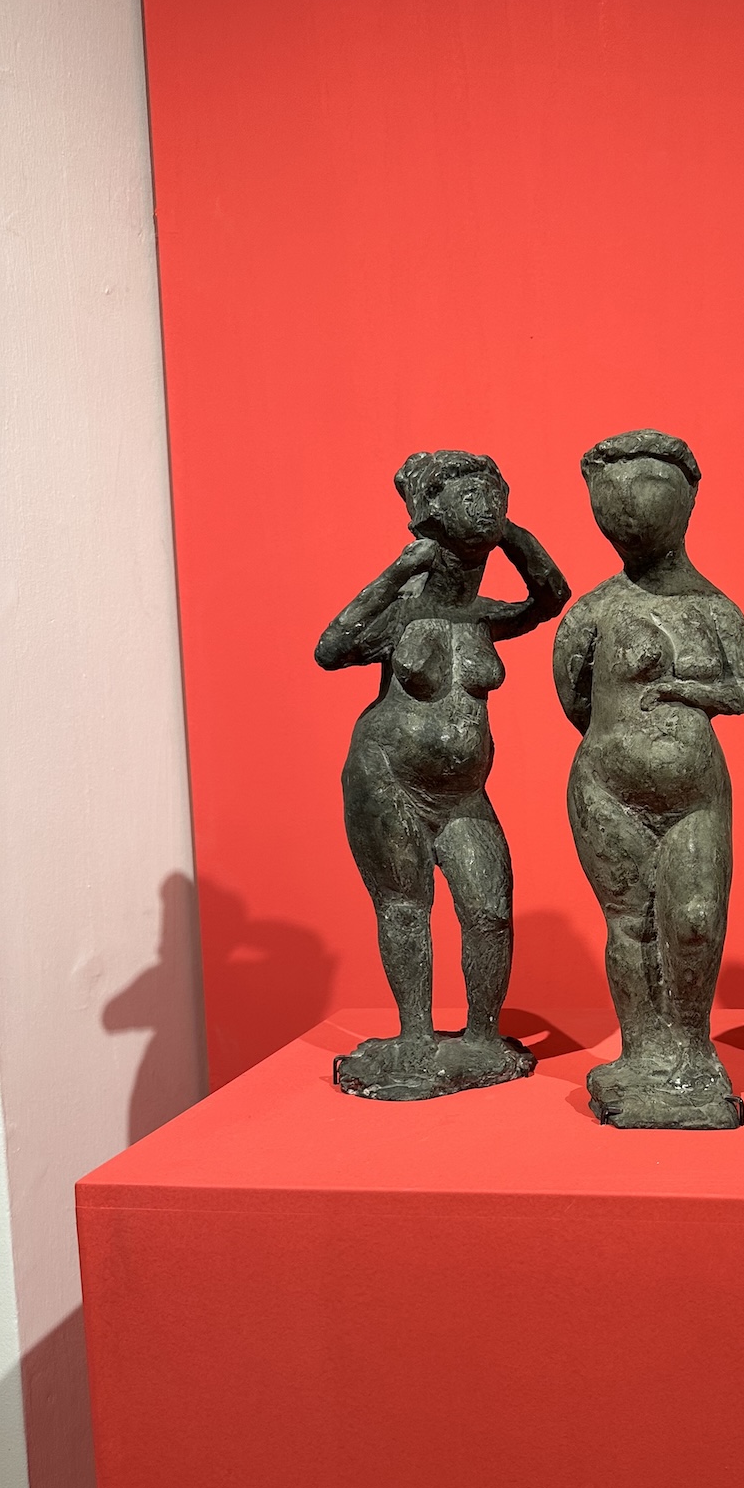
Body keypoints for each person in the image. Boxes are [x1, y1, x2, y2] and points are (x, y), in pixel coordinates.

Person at [316, 449, 570, 1100]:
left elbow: (551, 596)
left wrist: (510, 533)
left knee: (489, 908)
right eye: (471, 497)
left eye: (494, 496)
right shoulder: (401, 612)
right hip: (388, 780)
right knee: (406, 906)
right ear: (432, 514)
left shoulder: (481, 616)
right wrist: (399, 569)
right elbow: (332, 647)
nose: (487, 507)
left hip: (463, 795)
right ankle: (415, 1035)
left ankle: (482, 1036)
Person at [554, 430, 744, 1128]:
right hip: (606, 789)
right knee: (630, 924)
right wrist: (622, 744)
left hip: (693, 794)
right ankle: (641, 1052)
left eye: (648, 491)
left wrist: (678, 689)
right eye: (612, 499)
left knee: (694, 920)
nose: (629, 512)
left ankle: (693, 1052)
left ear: (686, 500)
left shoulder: (715, 608)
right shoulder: (592, 610)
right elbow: (574, 697)